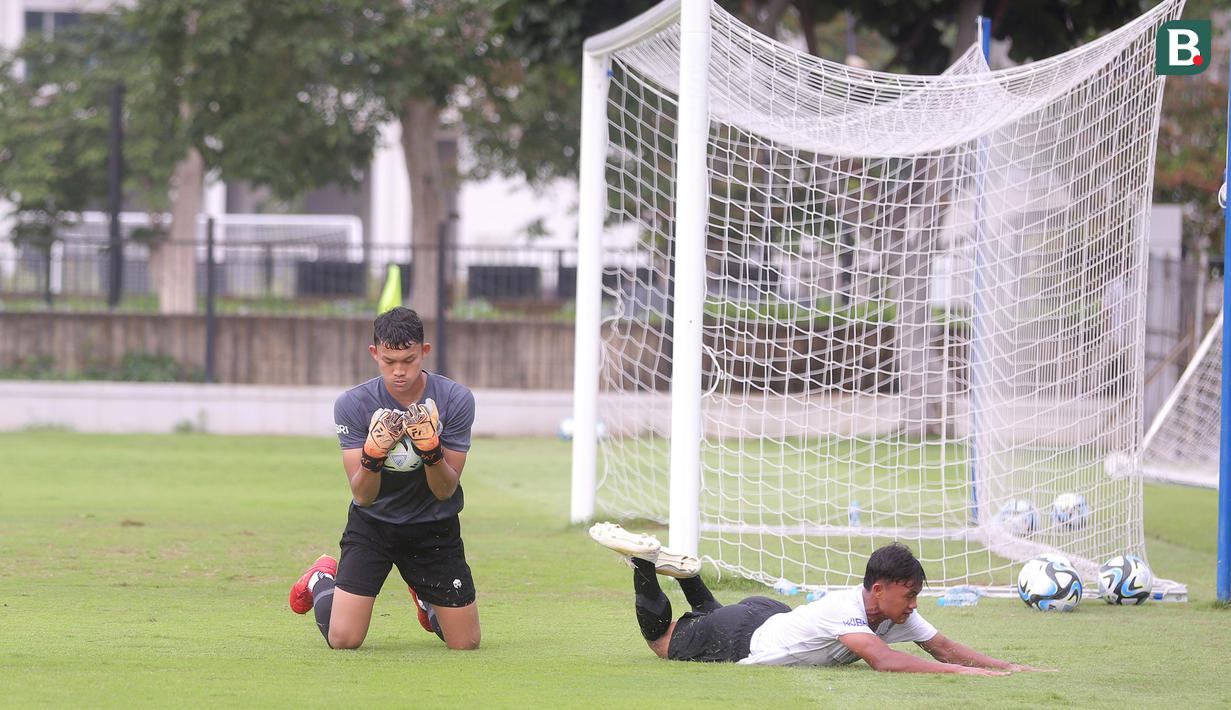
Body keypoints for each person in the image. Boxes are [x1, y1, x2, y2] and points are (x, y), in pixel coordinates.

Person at [589, 523, 1050, 674]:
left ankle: (690, 575)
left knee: (710, 617)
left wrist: (1008, 668)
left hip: (764, 615)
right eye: (908, 595)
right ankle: (645, 562)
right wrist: (958, 675)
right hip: (746, 636)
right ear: (879, 589)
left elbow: (944, 646)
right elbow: (885, 662)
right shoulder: (848, 610)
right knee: (664, 644)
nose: (913, 604)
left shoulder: (892, 614)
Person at [288, 307, 479, 651]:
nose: (400, 371)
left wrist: (431, 451)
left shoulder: (456, 399)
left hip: (434, 524)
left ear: (425, 351)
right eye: (389, 361)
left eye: (408, 359)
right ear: (374, 353)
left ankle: (426, 598)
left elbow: (445, 489)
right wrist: (372, 454)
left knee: (464, 643)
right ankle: (321, 577)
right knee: (344, 639)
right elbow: (362, 495)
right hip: (374, 524)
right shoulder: (352, 403)